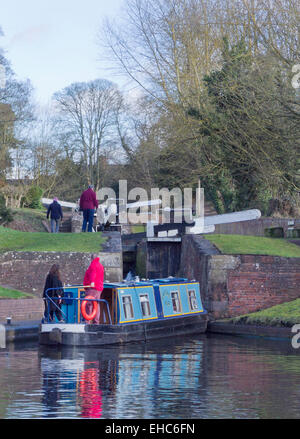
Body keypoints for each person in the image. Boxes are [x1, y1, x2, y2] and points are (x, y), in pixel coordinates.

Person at [83, 254, 104, 324]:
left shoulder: (93, 265)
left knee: (88, 304)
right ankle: (96, 321)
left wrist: (92, 282)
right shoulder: (100, 265)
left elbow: (93, 274)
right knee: (96, 304)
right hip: (99, 288)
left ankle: (87, 321)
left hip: (92, 288)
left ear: (91, 258)